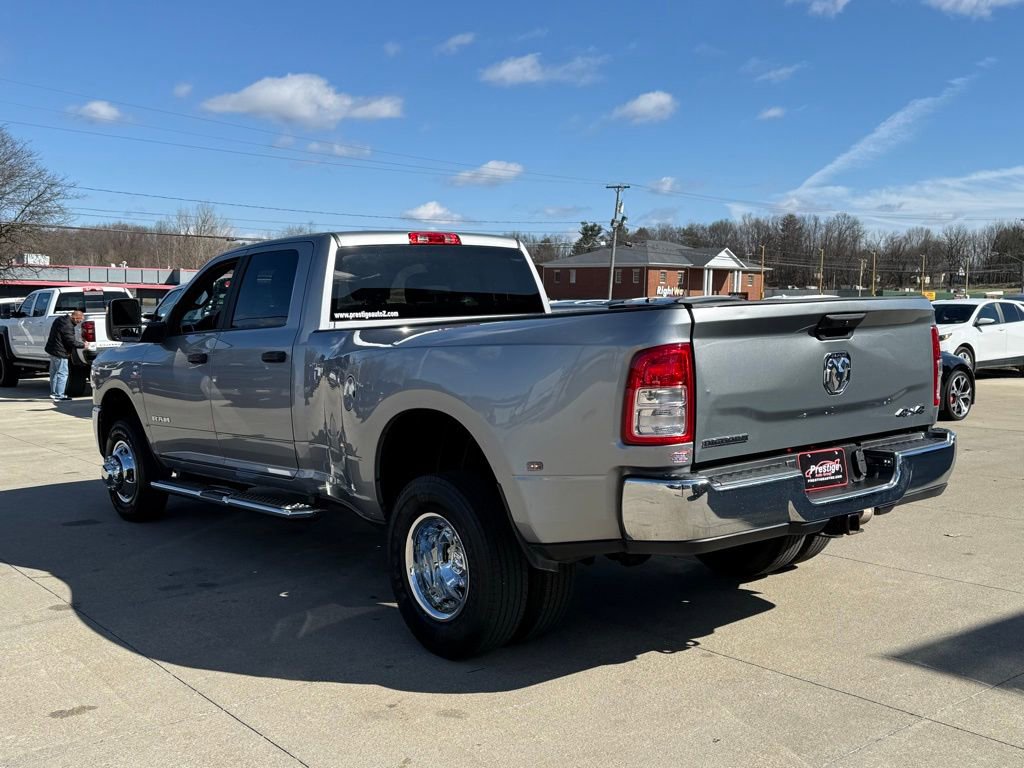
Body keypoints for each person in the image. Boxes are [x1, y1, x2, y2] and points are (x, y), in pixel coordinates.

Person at [44, 309, 85, 401]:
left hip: (53, 350)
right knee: (63, 373)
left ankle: (54, 393)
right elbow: (70, 341)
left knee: (54, 373)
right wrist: (83, 345)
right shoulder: (68, 325)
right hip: (60, 352)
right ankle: (60, 395)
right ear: (74, 318)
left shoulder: (60, 320)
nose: (80, 322)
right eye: (79, 320)